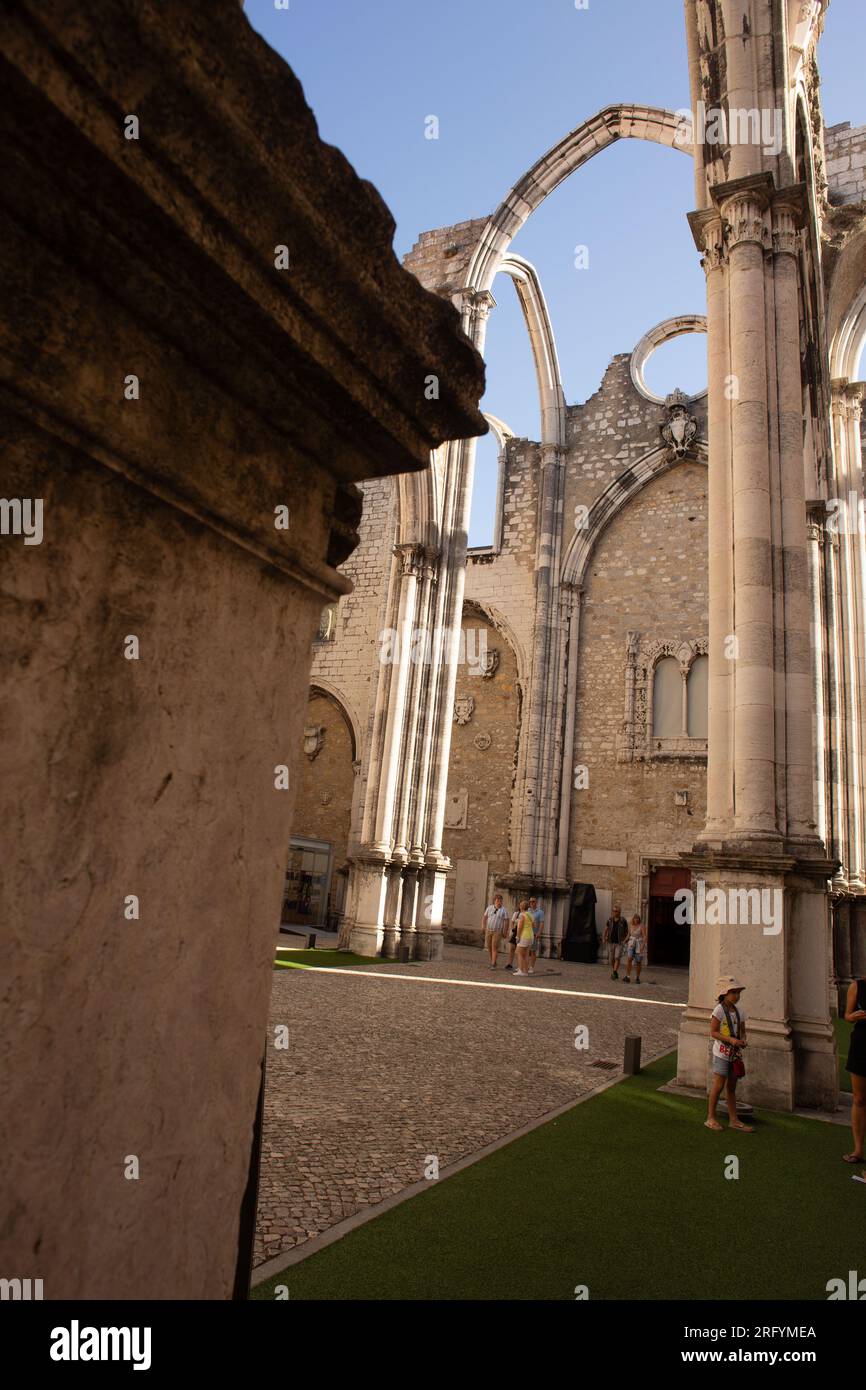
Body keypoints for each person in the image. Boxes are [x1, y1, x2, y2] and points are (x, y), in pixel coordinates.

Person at [705, 977, 754, 1133]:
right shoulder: (718, 1010)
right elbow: (713, 1032)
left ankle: (734, 1120)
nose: (736, 996)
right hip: (721, 1052)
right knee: (718, 1085)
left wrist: (743, 1040)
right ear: (724, 993)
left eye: (738, 992)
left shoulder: (740, 1012)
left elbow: (743, 1031)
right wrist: (731, 1040)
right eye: (733, 992)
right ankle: (710, 1117)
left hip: (734, 1054)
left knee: (732, 1087)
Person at [843, 977, 866, 1163]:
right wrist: (853, 1016)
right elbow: (847, 1016)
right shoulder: (857, 986)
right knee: (859, 1098)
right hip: (861, 1045)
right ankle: (858, 1149)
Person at [481, 892, 509, 968]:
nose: (499, 902)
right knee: (489, 947)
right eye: (498, 900)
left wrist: (505, 931)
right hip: (489, 930)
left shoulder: (504, 910)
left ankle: (493, 964)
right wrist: (483, 926)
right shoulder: (489, 908)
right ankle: (493, 961)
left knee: (494, 947)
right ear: (495, 901)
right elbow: (485, 917)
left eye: (500, 901)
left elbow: (506, 921)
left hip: (497, 931)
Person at [603, 903, 628, 979]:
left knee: (617, 957)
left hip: (619, 942)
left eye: (616, 911)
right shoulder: (610, 920)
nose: (614, 912)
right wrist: (604, 937)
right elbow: (606, 929)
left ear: (619, 912)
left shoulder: (623, 920)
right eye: (613, 911)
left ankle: (614, 973)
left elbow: (627, 931)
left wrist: (626, 940)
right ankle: (615, 972)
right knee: (611, 959)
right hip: (611, 942)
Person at [512, 900, 535, 979]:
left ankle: (521, 971)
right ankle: (525, 970)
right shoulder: (530, 914)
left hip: (524, 936)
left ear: (521, 907)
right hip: (530, 936)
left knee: (520, 953)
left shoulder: (522, 915)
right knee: (526, 954)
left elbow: (520, 927)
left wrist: (517, 937)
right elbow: (533, 925)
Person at [622, 914, 646, 984]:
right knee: (629, 959)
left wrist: (642, 945)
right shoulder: (630, 925)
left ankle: (637, 977)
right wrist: (624, 941)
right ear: (633, 919)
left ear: (639, 919)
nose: (636, 920)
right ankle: (628, 976)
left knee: (638, 961)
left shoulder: (642, 926)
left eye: (637, 918)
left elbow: (644, 936)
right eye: (635, 918)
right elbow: (629, 935)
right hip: (631, 944)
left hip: (639, 944)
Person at [528, 895, 545, 974]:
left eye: (533, 901)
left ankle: (531, 967)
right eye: (530, 901)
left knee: (533, 951)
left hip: (534, 933)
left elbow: (542, 923)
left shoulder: (540, 912)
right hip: (526, 933)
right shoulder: (527, 910)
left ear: (536, 902)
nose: (531, 903)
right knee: (524, 951)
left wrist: (539, 932)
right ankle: (523, 965)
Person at [504, 905, 522, 971]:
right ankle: (509, 963)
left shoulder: (526, 914)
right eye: (520, 906)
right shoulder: (516, 913)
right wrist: (511, 931)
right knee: (512, 948)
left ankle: (520, 966)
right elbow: (512, 922)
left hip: (522, 932)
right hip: (515, 931)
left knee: (519, 950)